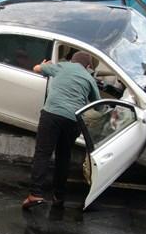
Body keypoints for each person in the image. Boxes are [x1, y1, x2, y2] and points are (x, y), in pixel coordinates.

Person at [22, 51, 100, 209]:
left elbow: (36, 68)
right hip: (73, 120)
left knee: (43, 154)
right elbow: (98, 104)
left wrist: (45, 65)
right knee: (63, 157)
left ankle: (35, 194)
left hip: (51, 115)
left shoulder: (61, 67)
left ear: (72, 61)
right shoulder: (89, 78)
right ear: (88, 66)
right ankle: (59, 196)